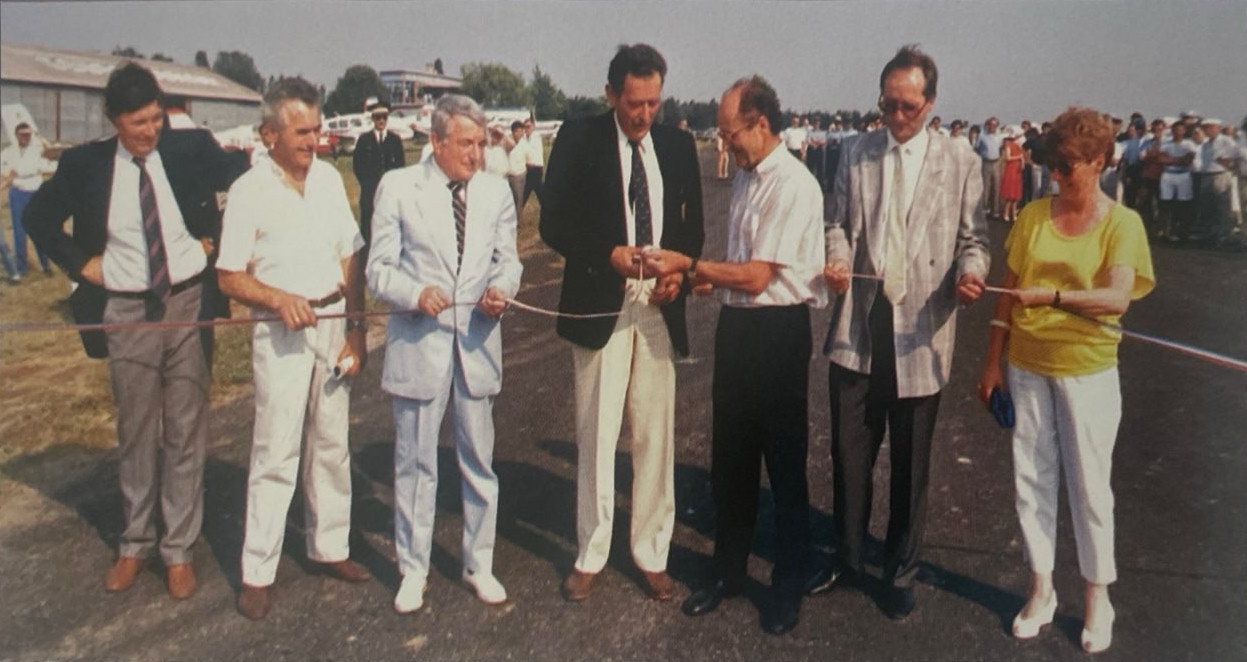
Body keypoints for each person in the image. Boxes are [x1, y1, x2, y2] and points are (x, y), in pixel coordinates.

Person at [22, 62, 248, 600]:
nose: (150, 131)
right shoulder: (84, 165)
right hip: (125, 311)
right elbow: (38, 219)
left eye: (156, 119)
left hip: (188, 302)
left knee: (186, 429)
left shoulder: (188, 148)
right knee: (137, 429)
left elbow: (244, 177)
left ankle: (178, 550)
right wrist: (83, 265)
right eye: (138, 123)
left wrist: (219, 239)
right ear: (113, 120)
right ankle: (134, 543)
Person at [643, 75, 826, 636]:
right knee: (731, 461)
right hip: (738, 329)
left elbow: (757, 276)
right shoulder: (747, 176)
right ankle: (728, 573)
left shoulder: (793, 184)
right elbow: (738, 268)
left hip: (778, 332)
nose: (725, 145)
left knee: (785, 465)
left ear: (760, 124)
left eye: (730, 134)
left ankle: (788, 585)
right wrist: (702, 281)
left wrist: (689, 265)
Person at [812, 45, 989, 620]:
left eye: (907, 106)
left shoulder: (960, 160)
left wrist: (969, 275)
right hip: (860, 326)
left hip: (921, 333)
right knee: (849, 456)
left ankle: (900, 571)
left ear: (930, 103)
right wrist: (838, 260)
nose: (895, 115)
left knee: (911, 466)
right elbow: (836, 224)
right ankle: (847, 559)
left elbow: (974, 241)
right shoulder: (855, 152)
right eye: (887, 104)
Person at [978, 107, 1154, 655]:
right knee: (1031, 477)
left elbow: (1117, 298)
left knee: (1090, 487)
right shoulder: (1032, 216)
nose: (1056, 175)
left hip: (1088, 371)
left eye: (1067, 166)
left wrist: (1053, 295)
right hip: (1027, 365)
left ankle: (1098, 597)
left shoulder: (1123, 224)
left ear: (1099, 161)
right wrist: (992, 364)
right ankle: (1041, 589)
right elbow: (1006, 297)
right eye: (1052, 165)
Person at [539, 43, 704, 604]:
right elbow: (553, 221)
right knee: (597, 432)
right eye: (634, 103)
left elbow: (692, 231)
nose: (644, 114)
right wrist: (605, 254)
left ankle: (652, 553)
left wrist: (678, 277)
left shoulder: (678, 145)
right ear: (611, 94)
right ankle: (590, 552)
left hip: (657, 308)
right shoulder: (578, 138)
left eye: (654, 103)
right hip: (600, 304)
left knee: (655, 435)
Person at [216, 77, 370, 620]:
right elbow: (229, 276)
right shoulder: (247, 191)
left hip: (333, 321)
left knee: (331, 441)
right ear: (268, 134)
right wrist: (278, 298)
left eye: (316, 130)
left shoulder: (328, 179)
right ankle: (257, 571)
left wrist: (357, 328)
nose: (313, 141)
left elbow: (351, 256)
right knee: (276, 448)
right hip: (281, 330)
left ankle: (330, 547)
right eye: (302, 132)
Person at [367, 94, 523, 614]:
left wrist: (501, 290)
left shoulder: (496, 192)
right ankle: (413, 570)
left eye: (481, 143)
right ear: (435, 142)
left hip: (477, 344)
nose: (476, 154)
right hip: (420, 347)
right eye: (465, 144)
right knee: (415, 463)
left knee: (479, 461)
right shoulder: (398, 188)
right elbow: (378, 270)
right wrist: (415, 294)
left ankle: (479, 564)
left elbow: (509, 261)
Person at [1, 121, 58, 275]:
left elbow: (42, 166)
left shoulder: (37, 150)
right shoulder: (8, 152)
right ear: (16, 135)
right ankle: (21, 266)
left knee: (38, 230)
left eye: (28, 135)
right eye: (22, 135)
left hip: (35, 193)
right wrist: (9, 173)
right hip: (17, 194)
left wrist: (17, 172)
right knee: (19, 232)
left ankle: (45, 265)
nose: (25, 137)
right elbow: (4, 169)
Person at [351, 100, 405, 245]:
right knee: (368, 230)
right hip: (369, 194)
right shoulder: (364, 140)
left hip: (390, 193)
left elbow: (400, 166)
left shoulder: (395, 140)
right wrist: (367, 184)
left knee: (390, 229)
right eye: (378, 117)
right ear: (372, 119)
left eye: (384, 117)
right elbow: (357, 165)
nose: (381, 121)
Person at [976, 116, 1005, 218]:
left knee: (996, 187)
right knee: (986, 187)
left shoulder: (999, 136)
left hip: (996, 162)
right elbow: (977, 148)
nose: (993, 127)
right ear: (987, 126)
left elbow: (1001, 148)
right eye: (991, 125)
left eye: (995, 125)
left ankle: (995, 210)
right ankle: (984, 209)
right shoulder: (982, 136)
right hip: (986, 163)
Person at [1001, 126, 1024, 222]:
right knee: (1010, 195)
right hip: (1011, 169)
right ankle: (1006, 213)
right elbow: (1008, 157)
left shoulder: (1017, 145)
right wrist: (1018, 157)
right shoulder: (1008, 144)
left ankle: (1013, 214)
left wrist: (1022, 163)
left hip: (1017, 170)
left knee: (1015, 195)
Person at [520, 118, 544, 209]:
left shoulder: (536, 138)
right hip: (527, 169)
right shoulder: (523, 139)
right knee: (524, 194)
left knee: (539, 194)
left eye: (528, 126)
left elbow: (529, 152)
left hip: (535, 169)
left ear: (533, 127)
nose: (527, 129)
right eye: (525, 127)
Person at [505, 120, 528, 213]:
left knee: (519, 198)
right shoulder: (507, 142)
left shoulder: (524, 142)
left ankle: (517, 217)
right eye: (517, 131)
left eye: (521, 131)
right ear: (513, 132)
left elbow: (527, 156)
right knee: (514, 199)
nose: (520, 134)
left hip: (522, 173)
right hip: (512, 175)